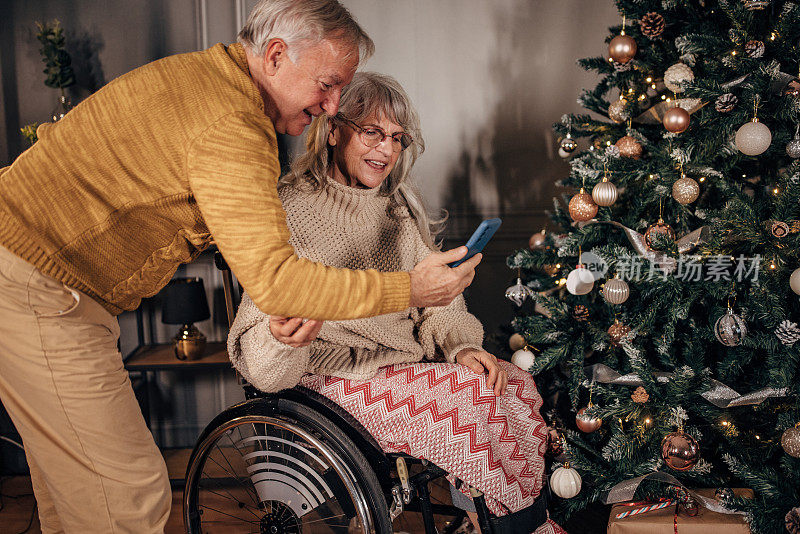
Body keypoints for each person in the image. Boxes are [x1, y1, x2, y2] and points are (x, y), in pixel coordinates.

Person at [0, 1, 480, 532]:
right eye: (327, 85)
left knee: (71, 499)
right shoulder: (232, 123)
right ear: (275, 55)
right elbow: (278, 284)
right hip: (34, 285)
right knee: (127, 495)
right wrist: (410, 288)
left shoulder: (209, 82)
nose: (332, 105)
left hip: (35, 277)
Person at [229, 72, 565, 534]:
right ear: (332, 130)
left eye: (397, 138)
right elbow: (260, 359)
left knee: (513, 381)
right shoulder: (287, 208)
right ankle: (512, 526)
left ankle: (501, 521)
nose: (386, 150)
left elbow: (440, 304)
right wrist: (280, 339)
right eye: (372, 132)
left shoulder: (396, 210)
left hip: (403, 368)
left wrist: (460, 347)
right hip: (330, 378)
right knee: (469, 397)